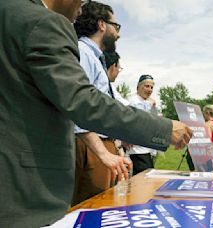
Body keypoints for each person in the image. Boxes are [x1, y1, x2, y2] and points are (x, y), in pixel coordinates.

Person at [0, 0, 192, 227]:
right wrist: (163, 129)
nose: (80, 8)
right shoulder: (44, 23)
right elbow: (83, 101)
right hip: (25, 192)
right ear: (102, 25)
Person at [71, 1, 130, 206]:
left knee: (103, 206)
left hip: (99, 147)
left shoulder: (95, 57)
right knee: (91, 208)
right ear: (101, 24)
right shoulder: (83, 52)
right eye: (116, 26)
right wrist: (103, 153)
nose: (118, 34)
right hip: (91, 149)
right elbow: (78, 106)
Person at [125, 75, 158, 175]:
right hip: (137, 151)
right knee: (143, 182)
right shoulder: (132, 101)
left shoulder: (150, 102)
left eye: (151, 87)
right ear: (138, 87)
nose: (150, 89)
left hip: (148, 150)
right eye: (146, 86)